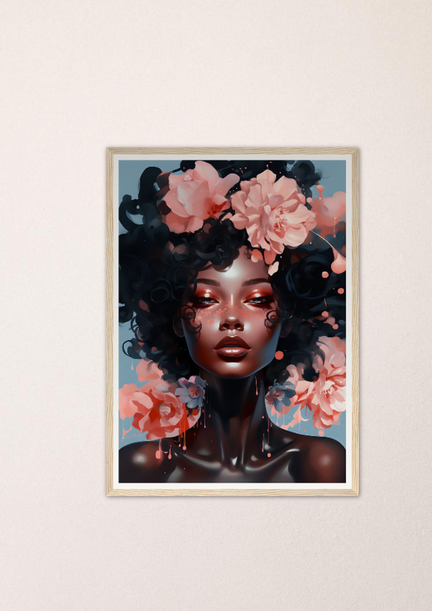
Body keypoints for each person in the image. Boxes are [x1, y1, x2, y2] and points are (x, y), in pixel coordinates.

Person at [115, 159, 349, 485]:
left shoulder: (320, 466)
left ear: (287, 319)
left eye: (256, 300)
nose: (232, 319)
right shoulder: (141, 469)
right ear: (176, 321)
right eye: (207, 301)